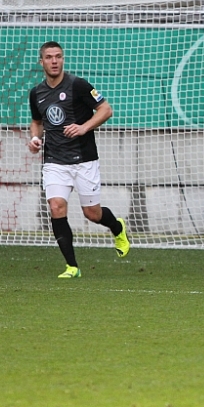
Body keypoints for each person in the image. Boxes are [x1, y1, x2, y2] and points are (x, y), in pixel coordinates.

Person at [27, 41, 129, 278]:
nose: (54, 61)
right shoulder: (36, 93)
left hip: (84, 159)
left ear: (63, 59)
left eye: (58, 56)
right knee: (56, 206)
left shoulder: (78, 85)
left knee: (92, 213)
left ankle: (117, 227)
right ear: (41, 62)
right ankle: (72, 266)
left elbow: (106, 109)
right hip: (54, 161)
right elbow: (37, 122)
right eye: (49, 57)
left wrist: (83, 127)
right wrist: (35, 138)